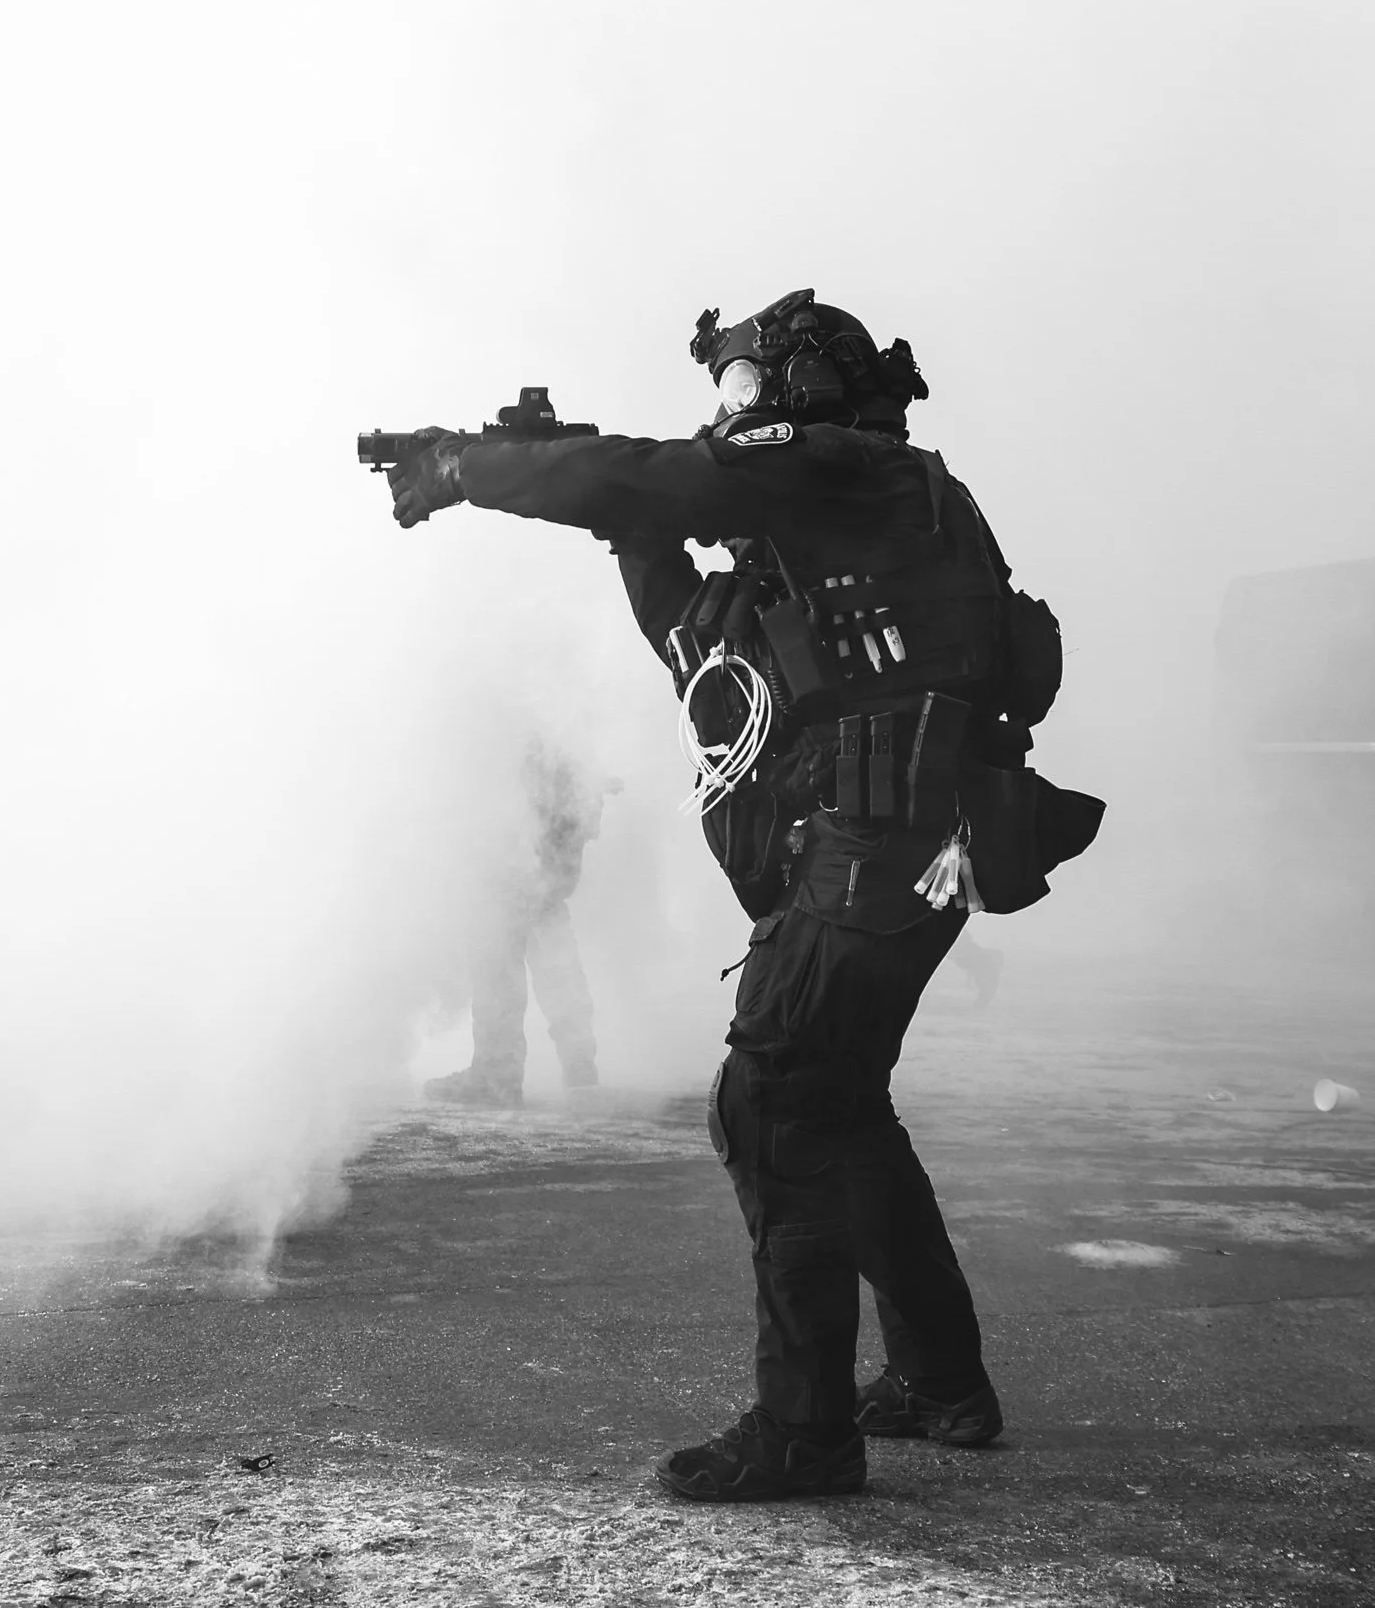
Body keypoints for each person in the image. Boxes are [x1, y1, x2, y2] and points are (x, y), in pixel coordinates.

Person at [381, 289, 1097, 1502]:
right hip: (902, 841)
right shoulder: (856, 517)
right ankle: (938, 1380)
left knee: (772, 1104)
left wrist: (474, 465)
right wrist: (608, 515)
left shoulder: (848, 467)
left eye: (742, 389)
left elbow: (668, 479)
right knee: (841, 1109)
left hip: (885, 841)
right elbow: (693, 641)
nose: (732, 412)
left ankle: (806, 1432)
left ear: (796, 384)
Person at [422, 740, 619, 1105]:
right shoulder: (558, 721)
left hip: (518, 853)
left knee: (497, 953)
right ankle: (579, 1068)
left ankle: (497, 1077)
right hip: (549, 851)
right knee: (554, 950)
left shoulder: (515, 727)